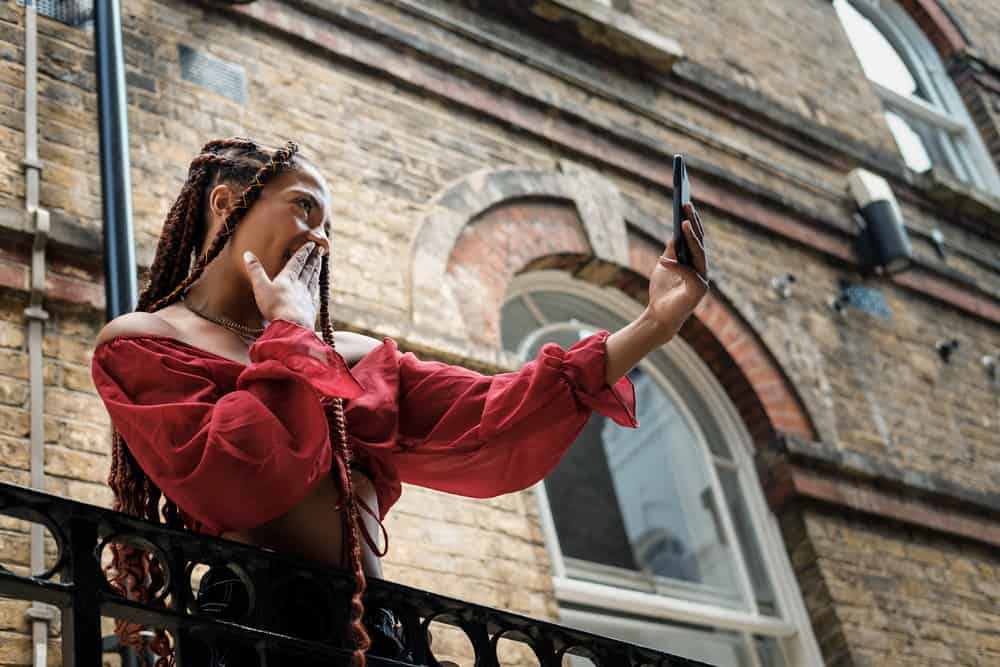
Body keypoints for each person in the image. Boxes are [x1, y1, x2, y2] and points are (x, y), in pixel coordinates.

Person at [90, 138, 709, 667]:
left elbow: (493, 414)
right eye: (304, 209)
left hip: (377, 631)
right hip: (251, 628)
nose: (320, 238)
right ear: (225, 203)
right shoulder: (144, 344)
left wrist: (655, 323)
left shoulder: (348, 355)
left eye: (327, 224)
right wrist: (291, 338)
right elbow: (239, 479)